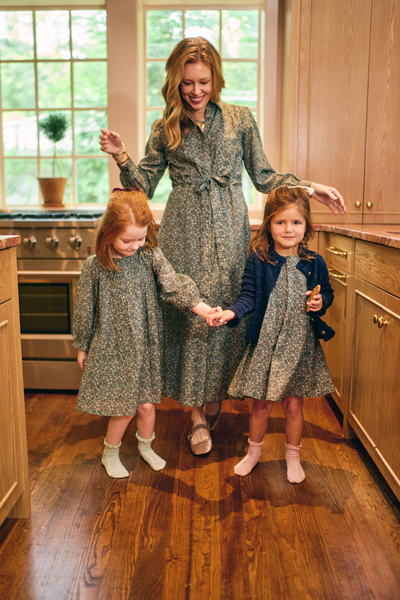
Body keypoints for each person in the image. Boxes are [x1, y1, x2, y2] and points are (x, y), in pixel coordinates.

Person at [99, 37, 344, 456]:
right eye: (187, 83)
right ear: (175, 82)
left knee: (229, 312)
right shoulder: (165, 128)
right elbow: (143, 187)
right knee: (192, 318)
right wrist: (122, 157)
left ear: (216, 80)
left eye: (203, 82)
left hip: (230, 231)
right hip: (183, 230)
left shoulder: (239, 119)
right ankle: (196, 417)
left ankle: (213, 402)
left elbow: (265, 175)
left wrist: (309, 186)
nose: (195, 91)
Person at [73, 188, 215, 477]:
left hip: (146, 344)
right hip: (113, 345)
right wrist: (82, 344)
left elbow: (173, 285)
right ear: (108, 232)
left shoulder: (150, 256)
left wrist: (201, 308)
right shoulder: (95, 267)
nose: (135, 245)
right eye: (128, 240)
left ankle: (145, 447)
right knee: (124, 407)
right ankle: (110, 452)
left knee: (147, 406)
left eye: (141, 238)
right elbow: (85, 309)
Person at [207, 186, 335, 483]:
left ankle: (293, 457)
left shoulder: (315, 262)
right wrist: (231, 312)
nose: (288, 229)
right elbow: (248, 296)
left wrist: (320, 302)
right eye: (280, 222)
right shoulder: (259, 259)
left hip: (300, 346)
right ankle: (253, 453)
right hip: (266, 345)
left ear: (307, 226)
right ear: (269, 224)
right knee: (261, 404)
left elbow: (326, 294)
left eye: (296, 222)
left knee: (293, 404)